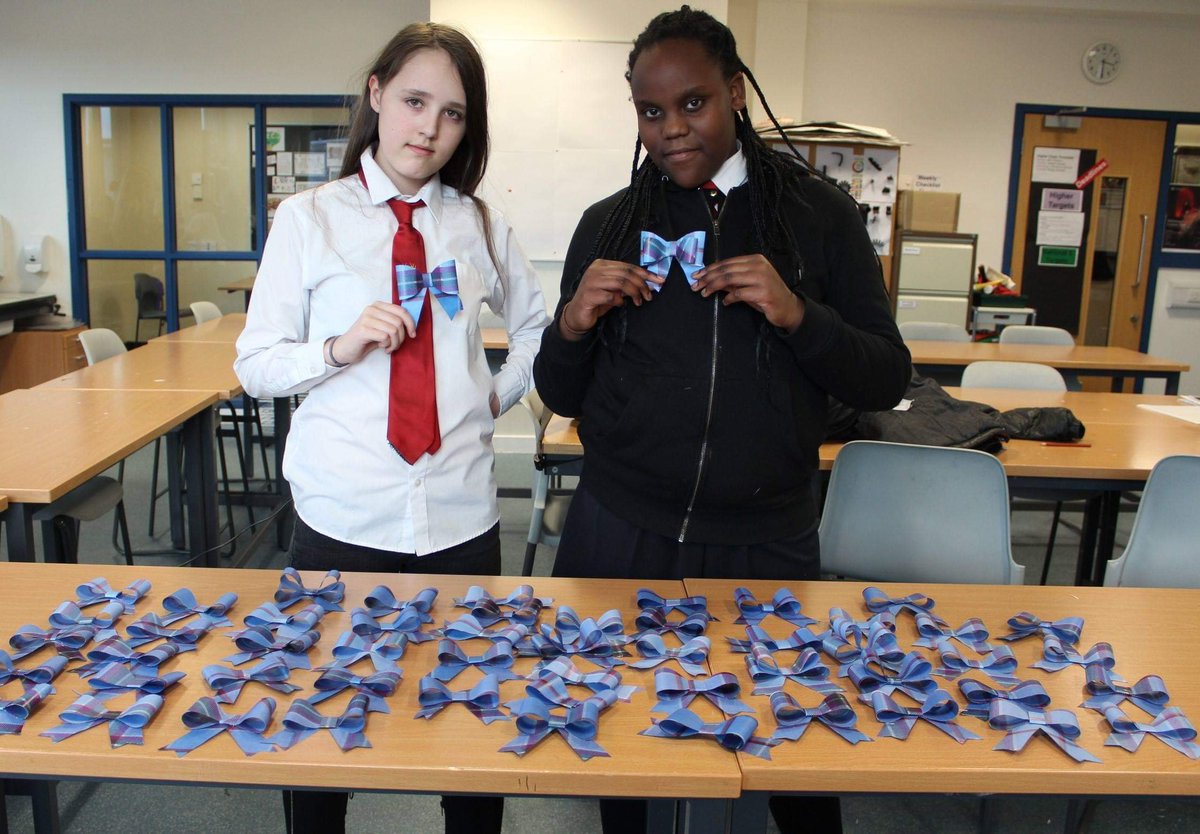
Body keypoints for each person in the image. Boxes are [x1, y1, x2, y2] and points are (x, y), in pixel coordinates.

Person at [533, 7, 911, 833]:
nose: (671, 128)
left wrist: (798, 314)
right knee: (619, 738)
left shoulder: (818, 215)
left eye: (693, 103)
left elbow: (885, 375)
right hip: (620, 527)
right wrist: (572, 322)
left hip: (764, 536)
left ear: (736, 93)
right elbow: (560, 391)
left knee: (792, 747)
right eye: (651, 111)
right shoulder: (609, 223)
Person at [234, 22, 548, 834]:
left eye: (452, 113)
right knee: (319, 738)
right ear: (376, 95)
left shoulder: (479, 224)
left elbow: (537, 325)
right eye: (414, 101)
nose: (429, 128)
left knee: (470, 730)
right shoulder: (309, 219)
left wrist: (493, 396)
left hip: (460, 519)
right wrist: (337, 348)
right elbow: (256, 364)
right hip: (342, 518)